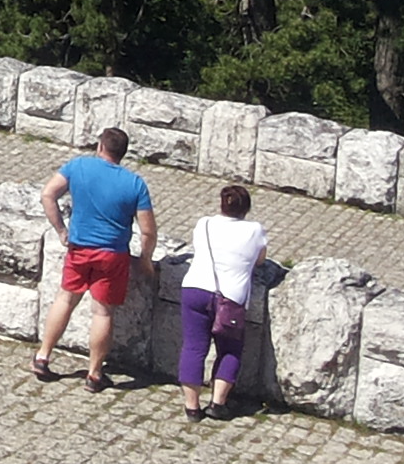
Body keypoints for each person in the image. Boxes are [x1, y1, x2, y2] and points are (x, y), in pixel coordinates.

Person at [33, 126, 156, 391]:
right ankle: (94, 373)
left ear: (100, 147)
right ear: (123, 153)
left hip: (79, 249)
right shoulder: (135, 184)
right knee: (102, 312)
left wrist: (61, 230)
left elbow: (48, 194)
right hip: (113, 256)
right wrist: (146, 259)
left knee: (65, 299)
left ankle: (43, 356)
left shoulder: (78, 166)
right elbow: (148, 231)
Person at [178, 182, 269, 421]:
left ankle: (192, 407)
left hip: (195, 289)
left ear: (221, 205)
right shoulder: (255, 230)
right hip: (230, 299)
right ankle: (218, 403)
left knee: (193, 347)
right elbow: (260, 259)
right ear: (246, 209)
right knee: (230, 349)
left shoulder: (204, 224)